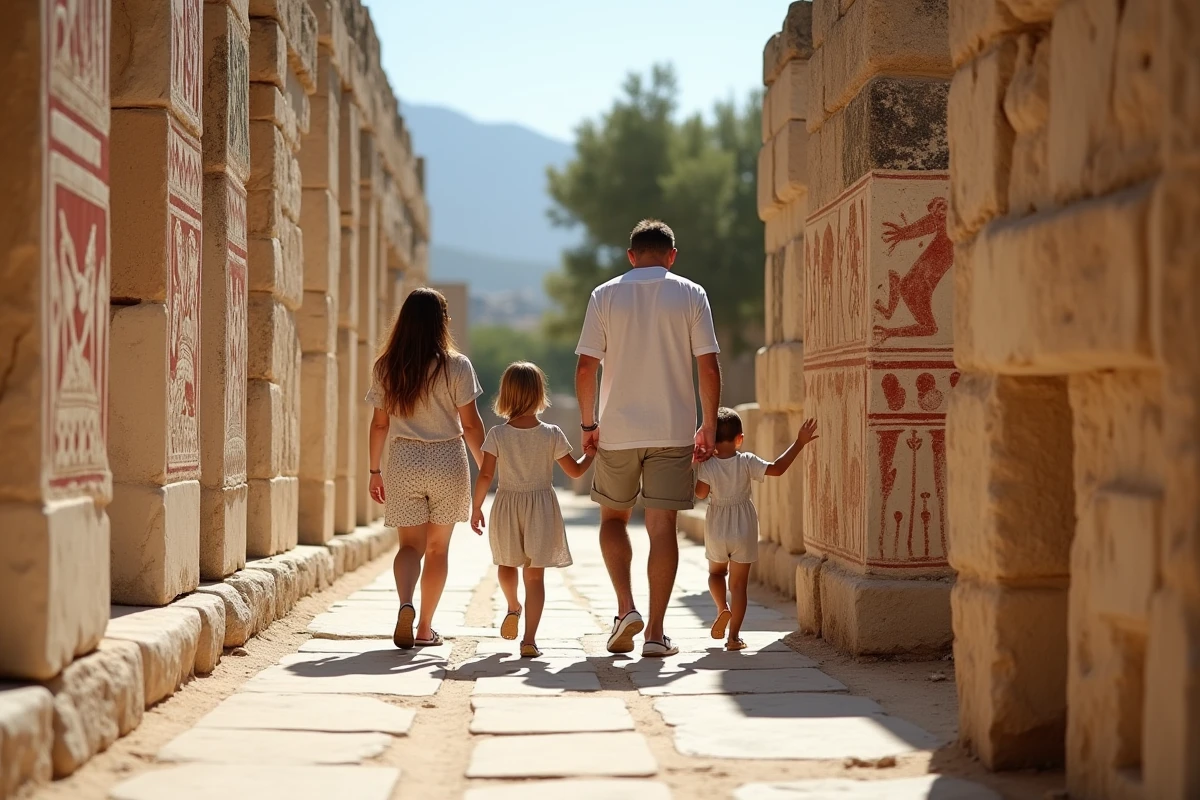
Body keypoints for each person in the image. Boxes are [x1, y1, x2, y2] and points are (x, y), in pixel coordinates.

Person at [575, 219, 722, 658]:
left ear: (630, 255)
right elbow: (708, 366)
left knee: (613, 520)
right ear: (672, 256)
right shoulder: (692, 293)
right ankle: (656, 634)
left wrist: (588, 425)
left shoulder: (604, 295)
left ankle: (626, 609)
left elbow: (586, 368)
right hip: (673, 431)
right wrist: (709, 426)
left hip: (617, 430)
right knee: (662, 528)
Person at [366, 288, 486, 650]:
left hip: (404, 461)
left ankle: (406, 604)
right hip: (448, 459)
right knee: (437, 549)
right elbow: (471, 425)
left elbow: (380, 424)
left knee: (409, 547)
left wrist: (374, 471)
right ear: (442, 322)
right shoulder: (457, 366)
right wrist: (487, 468)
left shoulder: (386, 366)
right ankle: (425, 628)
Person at [470, 362, 595, 658]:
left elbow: (485, 475)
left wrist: (476, 507)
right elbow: (575, 471)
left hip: (506, 505)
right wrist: (591, 454)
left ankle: (513, 605)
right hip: (541, 508)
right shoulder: (551, 433)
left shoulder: (498, 434)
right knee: (535, 577)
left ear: (505, 395)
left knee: (505, 564)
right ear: (540, 394)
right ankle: (529, 640)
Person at [695, 408, 818, 651]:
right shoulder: (746, 461)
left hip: (717, 526)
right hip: (744, 527)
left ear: (712, 440)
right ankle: (733, 638)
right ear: (739, 438)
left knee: (716, 574)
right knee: (739, 586)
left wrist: (697, 465)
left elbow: (700, 494)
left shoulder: (708, 465)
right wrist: (799, 443)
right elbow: (777, 468)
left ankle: (722, 608)